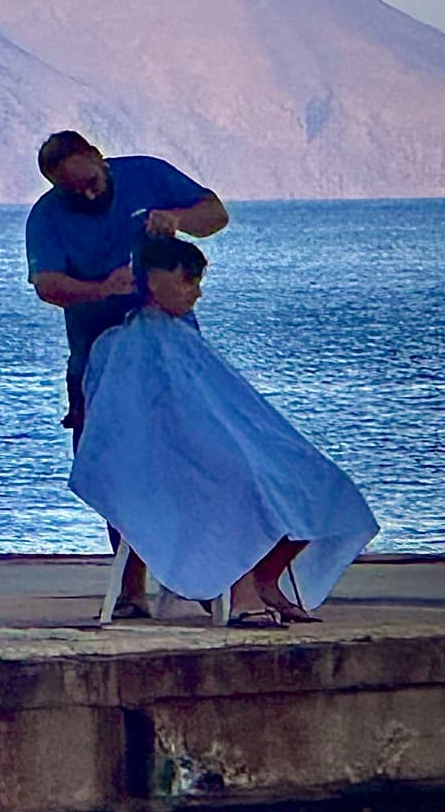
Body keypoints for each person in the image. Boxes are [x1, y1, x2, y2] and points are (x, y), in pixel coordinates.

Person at [70, 235, 377, 625]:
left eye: (198, 282)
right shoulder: (122, 345)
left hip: (198, 451)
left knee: (320, 481)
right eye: (188, 280)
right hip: (163, 463)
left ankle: (267, 580)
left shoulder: (180, 338)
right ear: (153, 279)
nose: (196, 293)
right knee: (246, 483)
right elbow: (135, 427)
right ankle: (241, 591)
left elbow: (224, 408)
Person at [24, 131, 229, 432]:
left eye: (91, 183)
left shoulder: (146, 174)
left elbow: (216, 214)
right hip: (96, 351)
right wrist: (101, 289)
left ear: (97, 157)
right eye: (72, 190)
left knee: (189, 433)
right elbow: (47, 284)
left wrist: (177, 219)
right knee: (104, 445)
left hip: (171, 342)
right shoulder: (46, 217)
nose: (87, 195)